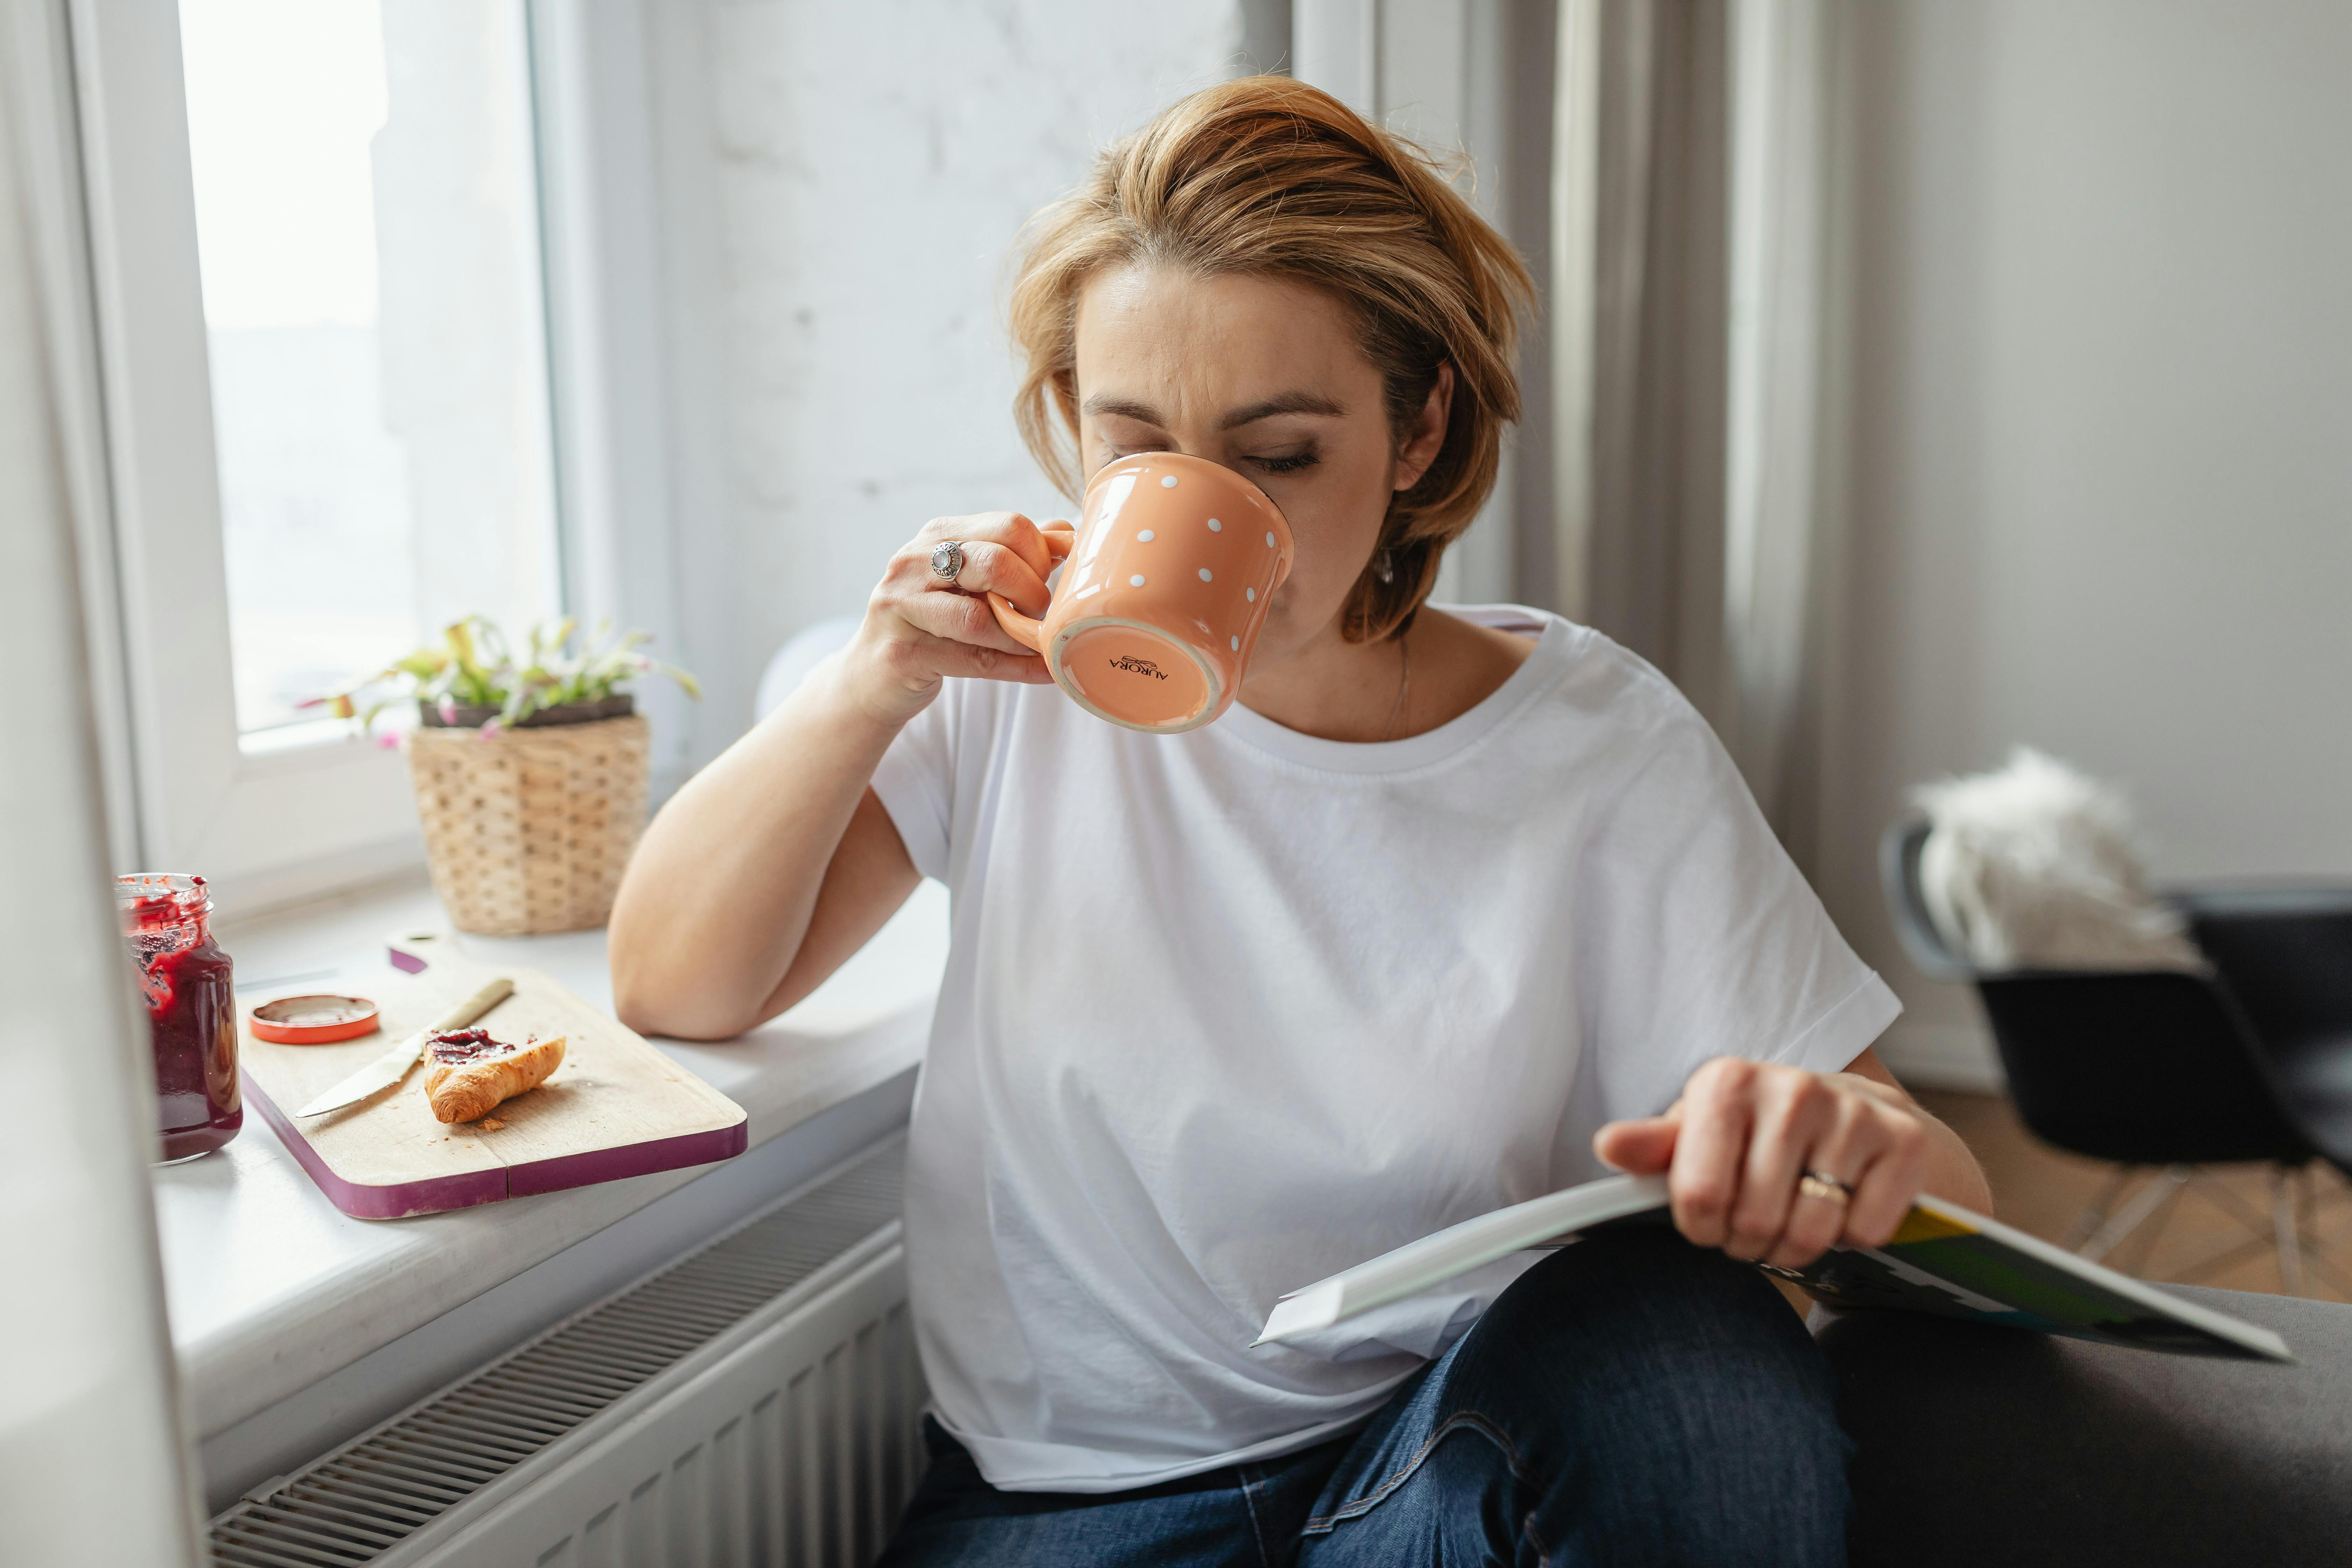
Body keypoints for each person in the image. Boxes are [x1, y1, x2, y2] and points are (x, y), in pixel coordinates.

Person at [609, 75, 1990, 1568]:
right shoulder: (1002, 678)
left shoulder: (1597, 745)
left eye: (1279, 456)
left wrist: (1849, 1147)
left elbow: (1952, 1206)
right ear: (1072, 423)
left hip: (1439, 1478)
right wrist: (868, 682)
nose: (1205, 507)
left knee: (1679, 1334)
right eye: (1136, 444)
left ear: (1418, 430)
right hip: (1068, 1513)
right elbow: (680, 981)